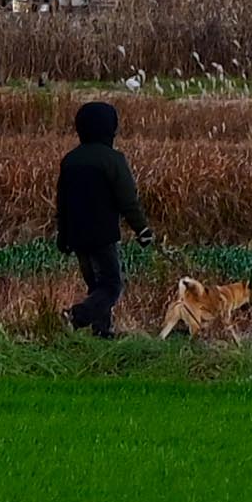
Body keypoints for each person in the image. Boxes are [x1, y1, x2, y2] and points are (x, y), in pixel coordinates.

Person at [53, 95, 147, 335]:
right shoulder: (113, 160)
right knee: (112, 286)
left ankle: (102, 332)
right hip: (103, 235)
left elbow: (62, 203)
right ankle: (76, 316)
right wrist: (142, 230)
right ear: (110, 129)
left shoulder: (70, 161)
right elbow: (128, 201)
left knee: (95, 286)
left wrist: (63, 236)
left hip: (76, 235)